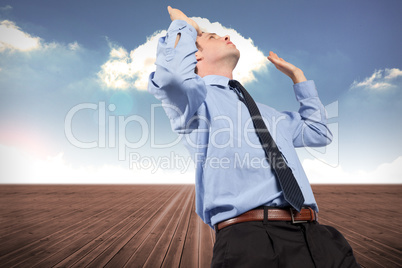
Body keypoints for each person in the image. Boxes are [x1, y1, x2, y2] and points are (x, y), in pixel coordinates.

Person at [148, 6, 360, 268]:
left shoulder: (269, 115)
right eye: (213, 37)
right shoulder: (195, 104)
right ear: (195, 57)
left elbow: (319, 133)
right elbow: (170, 77)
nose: (225, 36)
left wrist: (299, 79)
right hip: (251, 241)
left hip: (317, 236)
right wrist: (185, 26)